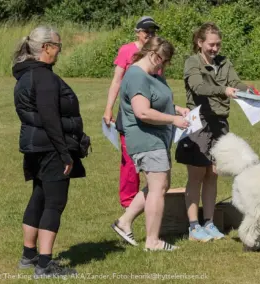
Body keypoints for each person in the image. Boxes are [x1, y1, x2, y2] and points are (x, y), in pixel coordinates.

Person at [13, 26, 86, 277]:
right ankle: (44, 265)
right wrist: (65, 152)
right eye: (58, 47)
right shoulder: (43, 76)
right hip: (50, 147)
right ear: (46, 48)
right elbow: (49, 117)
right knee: (54, 203)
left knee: (39, 197)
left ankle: (29, 255)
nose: (59, 52)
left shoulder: (26, 75)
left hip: (35, 146)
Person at [112, 36, 190, 250]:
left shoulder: (152, 75)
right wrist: (174, 120)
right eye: (163, 60)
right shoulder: (137, 76)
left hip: (156, 138)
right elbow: (143, 111)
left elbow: (159, 102)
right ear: (153, 55)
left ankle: (124, 221)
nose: (163, 65)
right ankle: (153, 241)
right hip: (146, 138)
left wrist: (177, 109)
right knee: (157, 188)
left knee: (159, 185)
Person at [175, 22, 250, 242]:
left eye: (218, 44)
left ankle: (209, 222)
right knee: (196, 176)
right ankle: (193, 226)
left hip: (220, 124)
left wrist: (252, 92)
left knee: (213, 174)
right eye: (211, 44)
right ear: (200, 43)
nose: (215, 49)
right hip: (199, 123)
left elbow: (235, 82)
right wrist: (223, 90)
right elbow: (199, 87)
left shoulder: (224, 62)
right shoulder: (192, 62)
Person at [103, 16, 160, 209]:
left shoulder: (157, 52)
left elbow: (160, 83)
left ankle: (151, 196)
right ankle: (128, 200)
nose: (150, 35)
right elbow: (117, 80)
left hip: (152, 113)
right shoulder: (127, 50)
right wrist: (109, 108)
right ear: (138, 32)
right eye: (147, 32)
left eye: (153, 31)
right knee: (129, 161)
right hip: (129, 114)